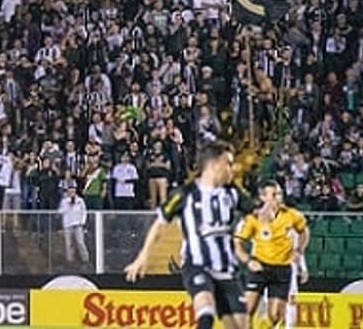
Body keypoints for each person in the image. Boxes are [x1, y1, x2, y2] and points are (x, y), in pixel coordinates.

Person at [125, 140, 253, 329]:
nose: (231, 169)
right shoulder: (185, 194)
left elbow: (257, 213)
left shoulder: (233, 193)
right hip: (197, 265)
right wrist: (143, 256)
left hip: (227, 270)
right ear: (214, 164)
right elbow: (159, 225)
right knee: (206, 315)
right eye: (228, 163)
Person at [234, 182, 309, 329]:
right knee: (247, 310)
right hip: (260, 268)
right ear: (263, 197)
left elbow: (304, 231)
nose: (278, 198)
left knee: (275, 316)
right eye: (274, 195)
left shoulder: (292, 215)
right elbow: (237, 243)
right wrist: (248, 261)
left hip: (282, 269)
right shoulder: (253, 218)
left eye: (280, 194)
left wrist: (299, 250)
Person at [58, 182, 89, 265]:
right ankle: (70, 260)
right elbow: (60, 212)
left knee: (80, 242)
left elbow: (84, 212)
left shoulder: (80, 201)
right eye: (70, 192)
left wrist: (82, 222)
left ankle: (85, 259)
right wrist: (68, 206)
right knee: (68, 244)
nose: (71, 193)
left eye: (73, 191)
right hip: (68, 224)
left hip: (78, 224)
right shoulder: (64, 201)